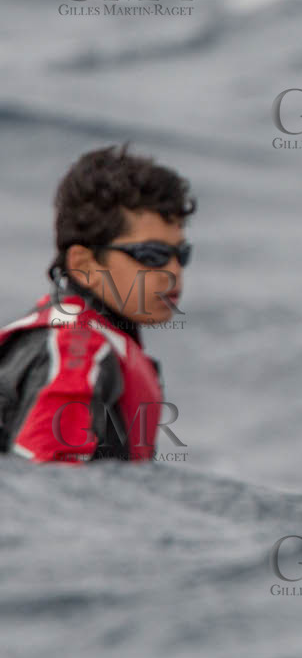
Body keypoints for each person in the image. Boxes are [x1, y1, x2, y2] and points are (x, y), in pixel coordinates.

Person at [0, 146, 195, 463]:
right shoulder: (76, 352)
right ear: (85, 265)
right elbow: (47, 492)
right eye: (151, 257)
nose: (173, 273)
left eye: (181, 255)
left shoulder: (65, 331)